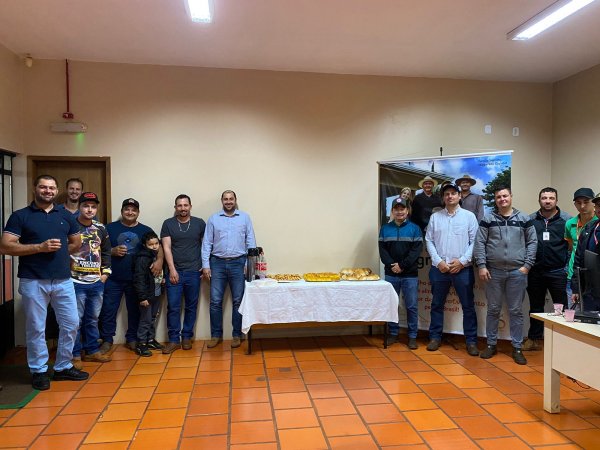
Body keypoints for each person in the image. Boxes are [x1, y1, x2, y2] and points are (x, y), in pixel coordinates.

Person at [0, 175, 87, 390]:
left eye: (51, 188)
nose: (47, 191)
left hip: (63, 280)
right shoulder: (20, 216)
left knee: (71, 323)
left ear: (56, 191)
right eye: (43, 187)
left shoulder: (65, 216)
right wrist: (39, 248)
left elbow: (76, 242)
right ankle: (38, 370)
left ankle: (63, 366)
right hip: (33, 279)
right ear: (35, 189)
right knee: (36, 327)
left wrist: (60, 253)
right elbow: (5, 246)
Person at [474, 186, 537, 365]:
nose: (502, 199)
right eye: (498, 197)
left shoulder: (524, 219)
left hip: (517, 272)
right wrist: (482, 265)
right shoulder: (488, 219)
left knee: (516, 311)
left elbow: (532, 242)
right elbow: (480, 242)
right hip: (493, 271)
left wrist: (527, 266)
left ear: (511, 196)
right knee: (493, 309)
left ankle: (517, 347)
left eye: (505, 196)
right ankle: (491, 344)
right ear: (495, 200)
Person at [99, 199, 163, 353]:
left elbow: (158, 246)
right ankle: (107, 340)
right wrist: (112, 251)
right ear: (122, 211)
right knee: (108, 310)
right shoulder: (109, 228)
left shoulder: (145, 230)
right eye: (127, 209)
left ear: (138, 212)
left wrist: (159, 261)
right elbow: (96, 248)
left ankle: (132, 339)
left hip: (136, 280)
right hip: (113, 278)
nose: (130, 212)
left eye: (133, 210)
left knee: (135, 311)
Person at [424, 183, 479, 355]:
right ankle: (435, 338)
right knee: (436, 305)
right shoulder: (435, 217)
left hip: (462, 269)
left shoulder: (469, 217)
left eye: (453, 193)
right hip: (439, 269)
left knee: (468, 306)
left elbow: (475, 242)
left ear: (459, 196)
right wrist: (438, 261)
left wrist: (462, 262)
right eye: (446, 194)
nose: (450, 196)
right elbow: (429, 240)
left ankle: (471, 341)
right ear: (443, 197)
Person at [202, 190, 256, 348]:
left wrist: (249, 264)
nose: (228, 201)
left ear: (235, 200)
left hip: (239, 263)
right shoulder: (213, 219)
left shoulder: (245, 218)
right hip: (217, 263)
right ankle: (215, 335)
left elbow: (251, 241)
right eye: (225, 199)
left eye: (231, 199)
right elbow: (207, 243)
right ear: (222, 201)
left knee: (238, 300)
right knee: (215, 301)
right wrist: (205, 265)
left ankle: (237, 335)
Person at [523, 188, 570, 351]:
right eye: (544, 198)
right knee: (536, 307)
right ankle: (534, 339)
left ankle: (562, 342)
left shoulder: (567, 220)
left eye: (551, 198)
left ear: (556, 200)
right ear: (539, 200)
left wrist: (566, 268)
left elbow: (571, 246)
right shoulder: (530, 220)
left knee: (561, 308)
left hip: (558, 271)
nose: (548, 201)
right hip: (535, 272)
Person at [70, 192, 112, 368]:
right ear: (79, 206)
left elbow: (107, 251)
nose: (89, 210)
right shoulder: (70, 224)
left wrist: (105, 274)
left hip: (96, 281)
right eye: (86, 206)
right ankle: (74, 354)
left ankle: (92, 350)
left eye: (93, 207)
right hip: (75, 281)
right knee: (75, 320)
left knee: (93, 318)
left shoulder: (101, 228)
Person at [160, 195, 206, 354]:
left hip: (194, 272)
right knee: (173, 307)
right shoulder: (168, 224)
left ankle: (186, 337)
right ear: (175, 208)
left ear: (190, 206)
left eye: (185, 205)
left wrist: (204, 265)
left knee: (191, 306)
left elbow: (205, 245)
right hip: (175, 272)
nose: (183, 208)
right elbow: (166, 247)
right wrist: (172, 269)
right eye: (179, 205)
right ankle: (173, 340)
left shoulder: (199, 223)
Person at [378, 198, 423, 349]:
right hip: (391, 274)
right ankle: (393, 333)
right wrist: (393, 266)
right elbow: (383, 251)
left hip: (410, 274)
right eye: (396, 209)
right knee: (392, 305)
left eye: (402, 209)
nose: (399, 212)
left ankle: (412, 336)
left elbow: (416, 251)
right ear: (392, 211)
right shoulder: (385, 229)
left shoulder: (415, 229)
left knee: (411, 306)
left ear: (407, 210)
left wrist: (402, 265)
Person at [133, 231, 164, 356]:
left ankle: (150, 340)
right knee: (145, 319)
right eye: (151, 244)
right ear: (145, 245)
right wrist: (142, 297)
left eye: (156, 243)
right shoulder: (142, 258)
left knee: (153, 317)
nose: (154, 246)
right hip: (146, 294)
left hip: (156, 291)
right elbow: (139, 278)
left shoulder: (158, 256)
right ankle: (141, 344)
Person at [564, 188, 597, 306]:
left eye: (586, 202)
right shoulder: (570, 223)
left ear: (593, 203)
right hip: (574, 275)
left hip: (593, 276)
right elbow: (571, 247)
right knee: (573, 312)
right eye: (578, 203)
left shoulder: (598, 223)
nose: (582, 206)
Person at [571, 192, 600, 311]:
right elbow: (578, 259)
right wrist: (576, 288)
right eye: (598, 205)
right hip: (590, 291)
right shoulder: (589, 228)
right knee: (588, 322)